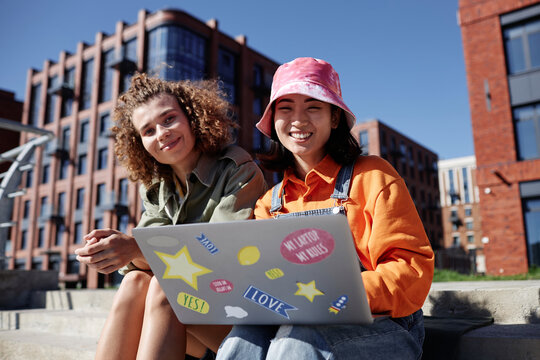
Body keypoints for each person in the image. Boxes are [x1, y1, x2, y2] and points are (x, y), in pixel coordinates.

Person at [216, 57, 435, 360]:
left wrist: (335, 297)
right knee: (242, 339)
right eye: (286, 107)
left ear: (334, 118)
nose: (298, 119)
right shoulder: (269, 203)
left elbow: (411, 271)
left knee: (299, 340)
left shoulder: (373, 175)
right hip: (295, 324)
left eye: (313, 106)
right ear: (273, 120)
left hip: (386, 328)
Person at [75, 73, 266, 360]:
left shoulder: (237, 168)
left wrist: (136, 248)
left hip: (238, 316)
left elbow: (225, 253)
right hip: (186, 321)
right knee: (135, 283)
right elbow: (140, 267)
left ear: (192, 117)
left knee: (169, 286)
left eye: (168, 119)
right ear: (140, 142)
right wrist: (118, 249)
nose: (161, 133)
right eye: (148, 130)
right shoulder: (155, 188)